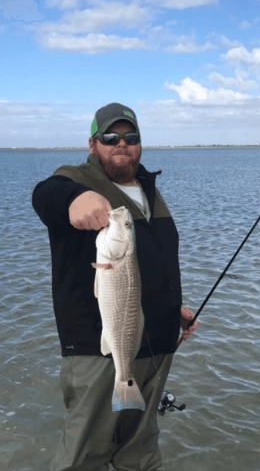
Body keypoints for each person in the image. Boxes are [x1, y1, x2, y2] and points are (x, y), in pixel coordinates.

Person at [32, 102, 197, 471]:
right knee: (83, 455)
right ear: (93, 144)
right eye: (110, 137)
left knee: (139, 451)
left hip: (156, 344)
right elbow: (45, 195)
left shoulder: (148, 189)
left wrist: (175, 310)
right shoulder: (74, 178)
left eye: (130, 137)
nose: (121, 143)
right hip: (97, 349)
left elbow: (150, 265)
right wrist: (75, 199)